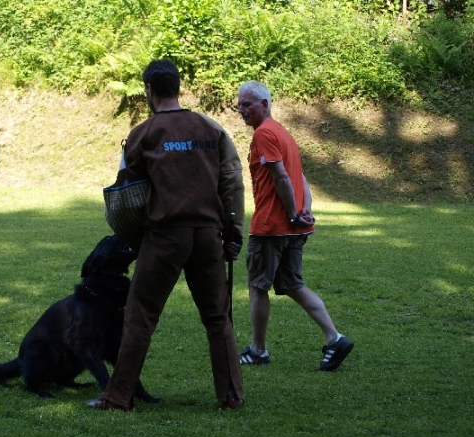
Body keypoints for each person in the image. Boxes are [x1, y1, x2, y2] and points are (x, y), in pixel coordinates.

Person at [87, 58, 246, 412]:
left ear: (149, 90)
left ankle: (118, 396)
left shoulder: (142, 134)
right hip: (207, 235)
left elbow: (128, 194)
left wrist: (132, 236)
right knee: (218, 317)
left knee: (140, 314)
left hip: (164, 237)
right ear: (178, 86)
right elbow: (231, 182)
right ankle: (231, 395)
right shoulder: (211, 128)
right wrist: (233, 232)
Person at [234, 80, 353, 371]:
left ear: (264, 104)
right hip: (294, 226)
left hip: (273, 227)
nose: (241, 109)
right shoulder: (283, 133)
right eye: (239, 104)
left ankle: (258, 350)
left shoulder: (264, 134)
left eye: (247, 104)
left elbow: (283, 177)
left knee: (257, 286)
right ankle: (335, 338)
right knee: (292, 284)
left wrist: (291, 213)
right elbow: (300, 178)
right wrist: (305, 210)